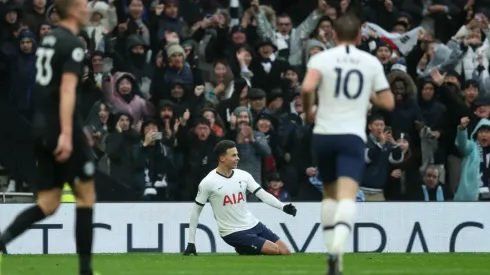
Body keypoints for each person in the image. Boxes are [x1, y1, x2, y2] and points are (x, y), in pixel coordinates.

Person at [0, 0, 97, 274]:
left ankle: (0, 244)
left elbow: (47, 88)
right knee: (86, 196)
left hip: (41, 128)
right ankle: (86, 270)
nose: (87, 8)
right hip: (60, 130)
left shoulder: (49, 40)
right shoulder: (72, 44)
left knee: (49, 203)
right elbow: (66, 91)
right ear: (73, 10)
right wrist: (68, 134)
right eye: (82, 4)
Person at [300, 14, 395, 275]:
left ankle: (331, 248)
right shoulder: (369, 61)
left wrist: (309, 112)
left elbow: (307, 88)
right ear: (359, 37)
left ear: (333, 35)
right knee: (347, 197)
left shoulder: (321, 58)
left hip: (323, 135)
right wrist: (369, 93)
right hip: (351, 136)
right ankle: (337, 250)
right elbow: (388, 103)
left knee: (329, 196)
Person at [183, 140, 297, 256]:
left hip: (253, 224)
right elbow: (196, 211)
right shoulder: (208, 182)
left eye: (237, 154)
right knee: (274, 249)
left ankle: (245, 249)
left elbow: (262, 194)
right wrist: (191, 242)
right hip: (232, 232)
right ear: (222, 158)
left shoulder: (243, 175)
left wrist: (283, 207)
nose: (238, 158)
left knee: (285, 252)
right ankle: (245, 248)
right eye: (233, 155)